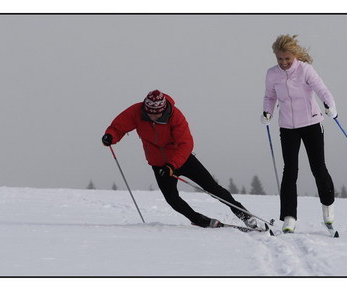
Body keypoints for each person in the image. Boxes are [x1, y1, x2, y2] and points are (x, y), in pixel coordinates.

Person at [103, 89, 257, 229]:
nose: (153, 116)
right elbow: (119, 126)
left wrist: (172, 165)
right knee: (171, 198)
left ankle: (243, 214)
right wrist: (110, 135)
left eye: (156, 114)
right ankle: (198, 219)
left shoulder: (175, 115)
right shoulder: (137, 111)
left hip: (182, 159)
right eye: (150, 113)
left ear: (163, 109)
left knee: (212, 188)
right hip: (159, 164)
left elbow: (186, 144)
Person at [261, 34, 337, 233]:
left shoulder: (305, 70)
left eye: (287, 58)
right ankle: (289, 217)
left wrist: (331, 106)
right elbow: (270, 96)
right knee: (290, 171)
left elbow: (322, 90)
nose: (284, 63)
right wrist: (267, 112)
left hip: (312, 123)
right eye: (280, 59)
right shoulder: (272, 74)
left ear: (294, 55)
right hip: (287, 127)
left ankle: (328, 207)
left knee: (318, 168)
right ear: (275, 57)